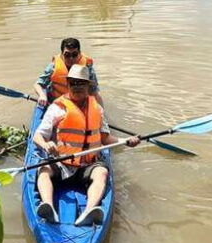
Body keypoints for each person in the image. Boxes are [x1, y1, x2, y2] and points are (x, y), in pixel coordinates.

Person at [32, 64, 139, 227]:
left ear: (88, 86)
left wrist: (126, 141)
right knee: (44, 169)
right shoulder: (57, 108)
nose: (77, 87)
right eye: (73, 83)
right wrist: (46, 145)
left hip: (88, 165)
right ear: (67, 85)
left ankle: (89, 211)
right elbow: (38, 136)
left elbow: (106, 139)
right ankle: (48, 206)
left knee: (102, 172)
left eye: (81, 83)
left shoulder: (97, 109)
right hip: (62, 163)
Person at [34, 37, 100, 107]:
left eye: (74, 54)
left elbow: (94, 91)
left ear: (79, 53)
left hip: (80, 101)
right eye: (67, 55)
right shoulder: (53, 67)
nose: (71, 58)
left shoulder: (87, 68)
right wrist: (42, 95)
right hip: (58, 101)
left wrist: (99, 110)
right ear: (62, 55)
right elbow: (38, 84)